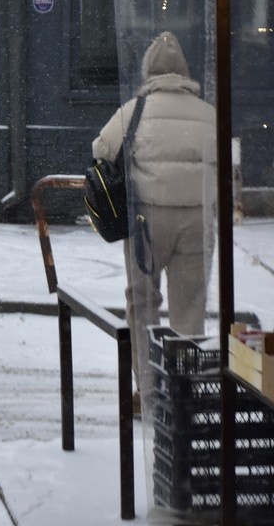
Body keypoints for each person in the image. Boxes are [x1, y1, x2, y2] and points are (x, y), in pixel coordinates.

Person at [92, 31, 216, 416]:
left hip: (147, 223)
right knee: (190, 306)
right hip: (197, 222)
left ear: (148, 70)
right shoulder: (210, 113)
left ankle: (148, 392)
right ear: (184, 72)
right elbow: (229, 163)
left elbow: (101, 149)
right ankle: (183, 392)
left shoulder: (134, 110)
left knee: (142, 303)